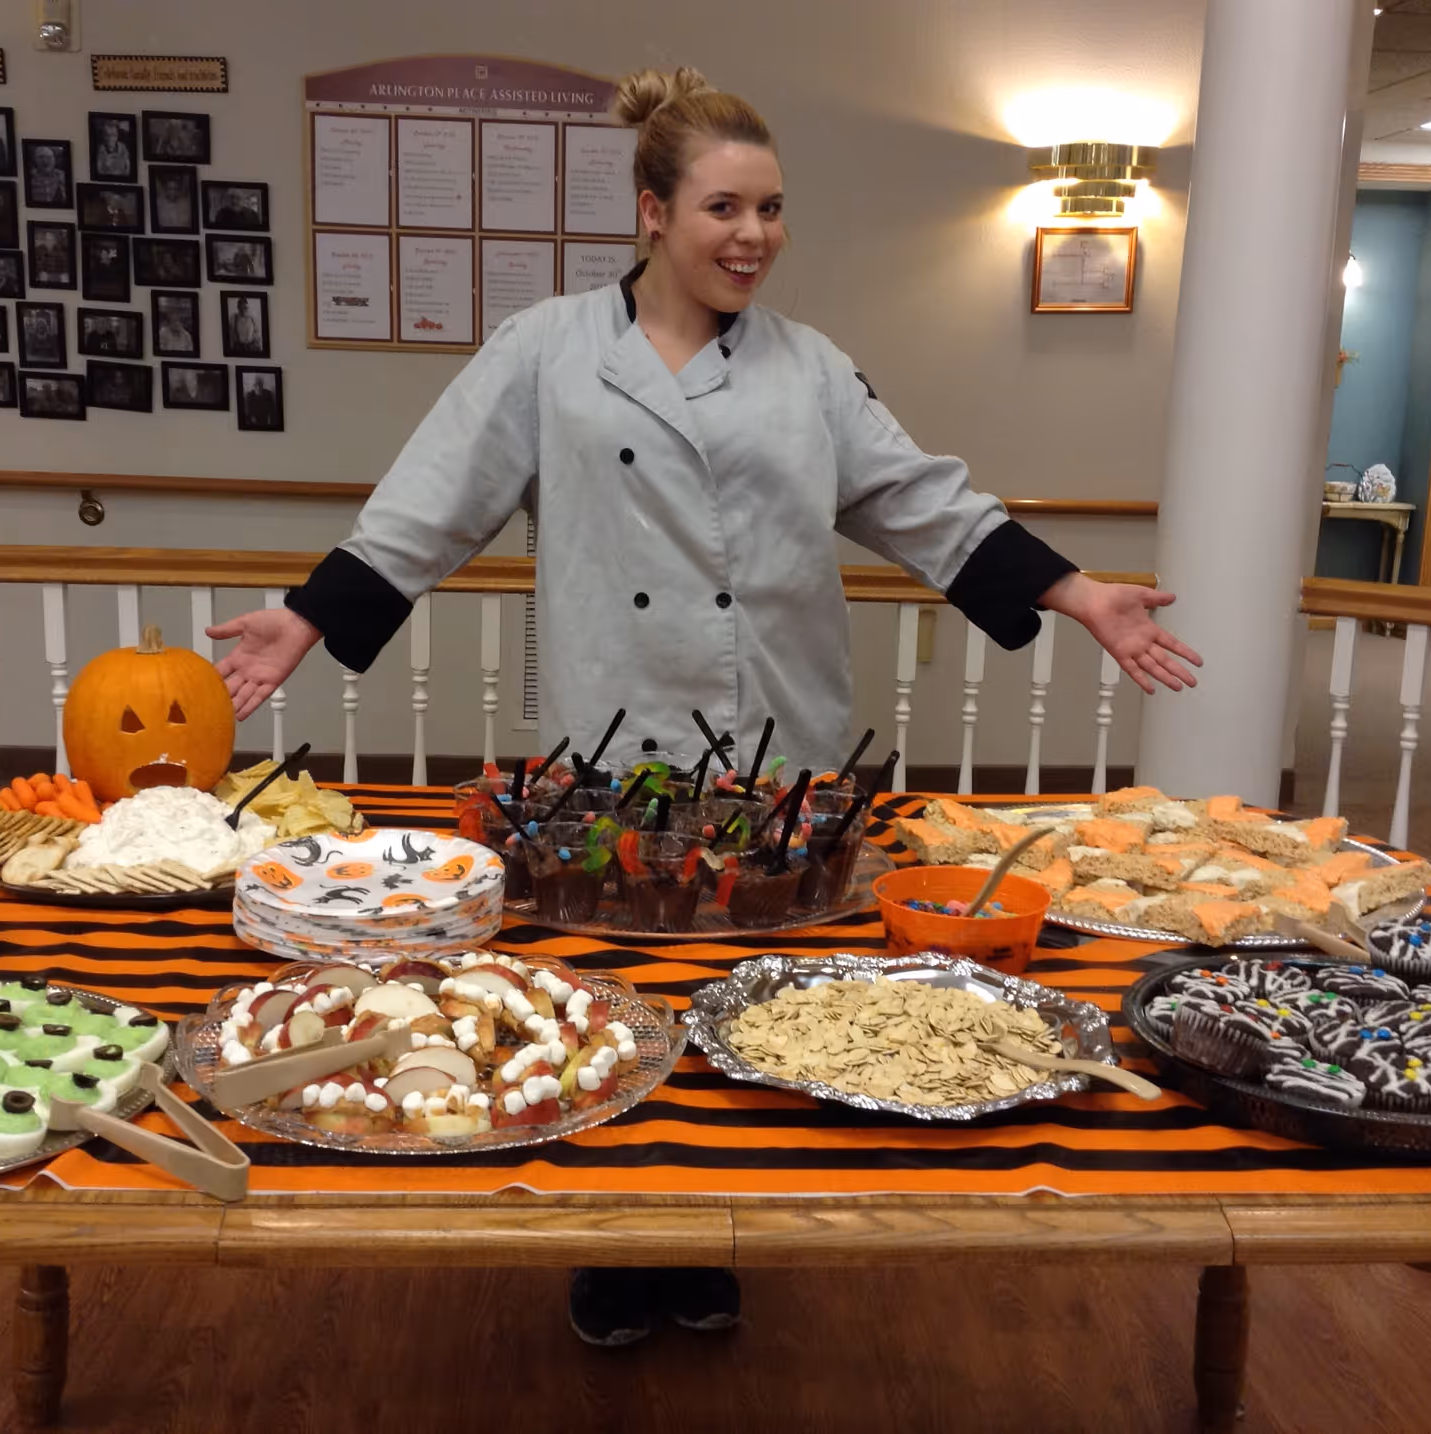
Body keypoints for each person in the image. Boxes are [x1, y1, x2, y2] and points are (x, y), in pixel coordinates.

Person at [207, 66, 1201, 1345]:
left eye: (773, 209)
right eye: (726, 208)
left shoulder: (810, 368)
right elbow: (429, 500)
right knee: (614, 995)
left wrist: (1073, 592)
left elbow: (919, 498)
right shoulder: (548, 351)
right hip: (611, 730)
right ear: (652, 212)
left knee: (752, 991)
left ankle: (725, 1222)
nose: (754, 237)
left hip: (781, 734)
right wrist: (312, 612)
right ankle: (617, 1247)